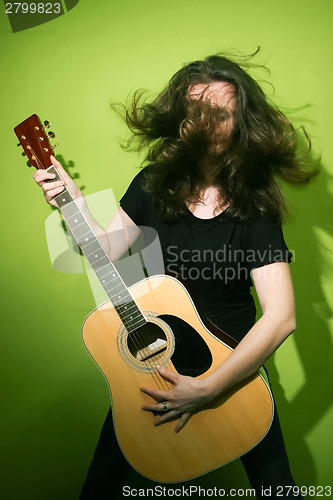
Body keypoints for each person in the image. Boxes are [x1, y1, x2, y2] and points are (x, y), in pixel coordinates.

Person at [34, 52, 317, 499]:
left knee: (277, 491)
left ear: (241, 121)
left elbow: (281, 318)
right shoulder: (151, 186)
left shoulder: (255, 206)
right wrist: (76, 204)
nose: (208, 124)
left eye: (221, 113)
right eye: (197, 112)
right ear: (181, 120)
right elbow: (105, 253)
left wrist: (208, 389)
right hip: (152, 372)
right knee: (99, 488)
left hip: (231, 375)